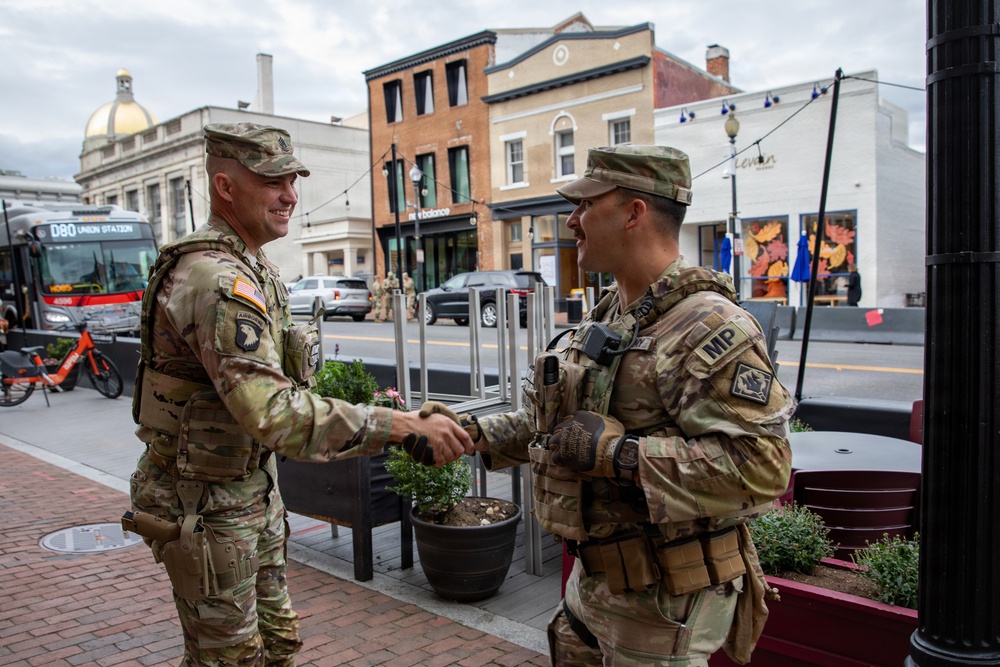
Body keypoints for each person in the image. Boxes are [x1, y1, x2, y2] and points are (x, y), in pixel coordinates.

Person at [430, 146, 793, 666]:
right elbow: (555, 430)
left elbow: (763, 466)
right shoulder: (612, 317)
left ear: (634, 213)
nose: (572, 221)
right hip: (593, 590)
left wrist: (620, 455)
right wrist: (468, 432)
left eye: (585, 205)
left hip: (664, 605)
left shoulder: (708, 327)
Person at [127, 122, 473, 666]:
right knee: (229, 659)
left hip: (251, 494)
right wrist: (399, 427)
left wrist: (393, 415)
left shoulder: (254, 268)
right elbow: (273, 414)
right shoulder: (215, 280)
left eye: (293, 180)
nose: (291, 195)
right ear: (225, 187)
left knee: (279, 645)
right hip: (207, 506)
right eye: (274, 182)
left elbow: (289, 386)